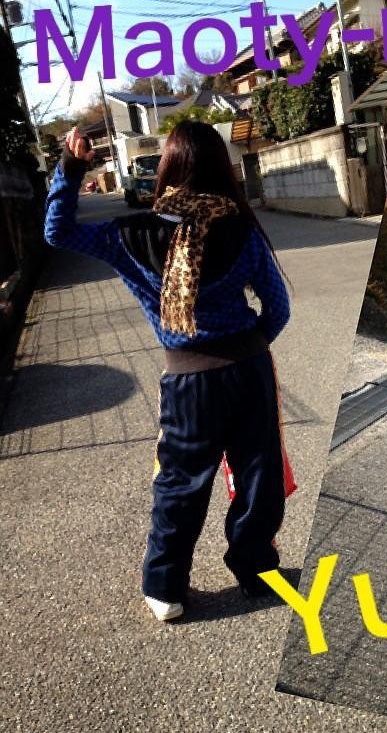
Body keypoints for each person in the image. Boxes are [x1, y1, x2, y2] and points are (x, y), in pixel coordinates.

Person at [45, 122, 290, 622]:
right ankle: (256, 570)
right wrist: (248, 346)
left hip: (188, 380)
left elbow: (58, 231)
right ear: (221, 169)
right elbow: (278, 308)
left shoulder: (129, 235)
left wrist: (70, 167)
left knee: (180, 482)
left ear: (167, 169)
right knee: (257, 472)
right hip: (249, 369)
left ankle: (165, 588)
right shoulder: (240, 228)